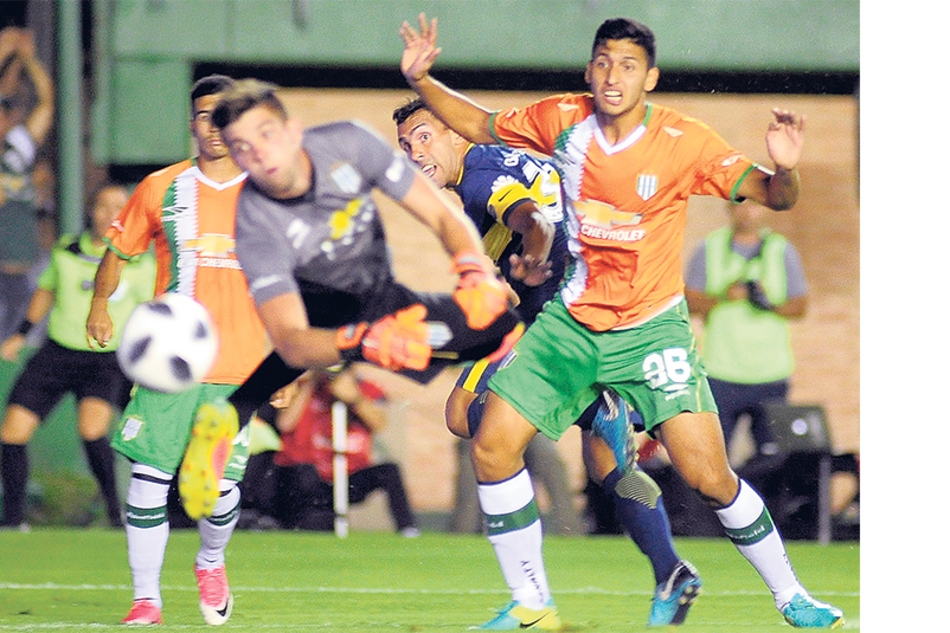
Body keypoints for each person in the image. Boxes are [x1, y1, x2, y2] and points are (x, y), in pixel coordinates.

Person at [400, 14, 843, 629]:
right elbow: (478, 124)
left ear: (650, 78)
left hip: (650, 329)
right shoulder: (563, 118)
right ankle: (534, 606)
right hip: (572, 323)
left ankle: (793, 596)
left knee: (710, 476)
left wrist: (787, 167)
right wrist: (423, 78)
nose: (613, 75)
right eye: (604, 62)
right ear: (590, 70)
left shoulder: (684, 141)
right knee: (493, 446)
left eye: (628, 65)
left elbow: (774, 195)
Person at [394, 98, 697, 626]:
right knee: (608, 466)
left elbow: (529, 217)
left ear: (456, 134)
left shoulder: (479, 173)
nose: (414, 152)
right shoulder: (505, 155)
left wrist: (534, 249)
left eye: (424, 136)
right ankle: (671, 570)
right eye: (404, 144)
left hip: (556, 314)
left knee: (464, 411)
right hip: (595, 301)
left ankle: (533, 601)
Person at [176, 78, 524, 528]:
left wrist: (473, 271)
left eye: (264, 135)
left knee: (499, 328)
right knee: (317, 331)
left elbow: (441, 213)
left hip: (386, 297)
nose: (257, 153)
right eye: (241, 148)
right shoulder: (254, 221)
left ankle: (231, 410)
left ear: (292, 131)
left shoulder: (350, 143)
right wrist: (365, 342)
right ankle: (229, 417)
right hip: (323, 317)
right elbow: (291, 343)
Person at [85, 74, 270, 627]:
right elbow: (119, 248)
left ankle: (210, 560)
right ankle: (146, 600)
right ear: (193, 123)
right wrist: (100, 302)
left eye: (225, 114)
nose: (215, 125)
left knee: (219, 494)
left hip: (242, 365)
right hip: (172, 363)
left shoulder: (267, 190)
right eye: (205, 115)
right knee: (150, 477)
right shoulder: (162, 187)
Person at [0, 183, 154, 530]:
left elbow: (151, 313)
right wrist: (21, 334)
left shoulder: (141, 263)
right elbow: (45, 291)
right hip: (56, 354)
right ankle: (12, 521)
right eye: (102, 206)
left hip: (106, 360)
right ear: (92, 211)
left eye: (118, 206)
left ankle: (116, 514)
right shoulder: (67, 250)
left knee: (91, 429)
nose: (109, 214)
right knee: (12, 431)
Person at [684, 199, 808, 461]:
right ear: (729, 209)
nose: (747, 212)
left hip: (770, 373)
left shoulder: (781, 250)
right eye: (740, 204)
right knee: (712, 457)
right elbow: (689, 302)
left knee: (774, 459)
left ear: (764, 209)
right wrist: (725, 296)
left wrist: (768, 304)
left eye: (754, 205)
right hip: (721, 372)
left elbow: (799, 306)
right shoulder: (710, 247)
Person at [268, 367, 420, 535]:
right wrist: (311, 382)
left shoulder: (366, 388)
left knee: (389, 471)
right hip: (311, 476)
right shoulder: (307, 388)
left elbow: (380, 424)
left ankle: (408, 528)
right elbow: (285, 423)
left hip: (349, 475)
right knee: (304, 481)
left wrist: (354, 398)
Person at [0, 26, 54, 342]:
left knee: (23, 344)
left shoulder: (15, 150)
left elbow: (46, 102)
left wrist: (27, 58)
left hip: (25, 265)